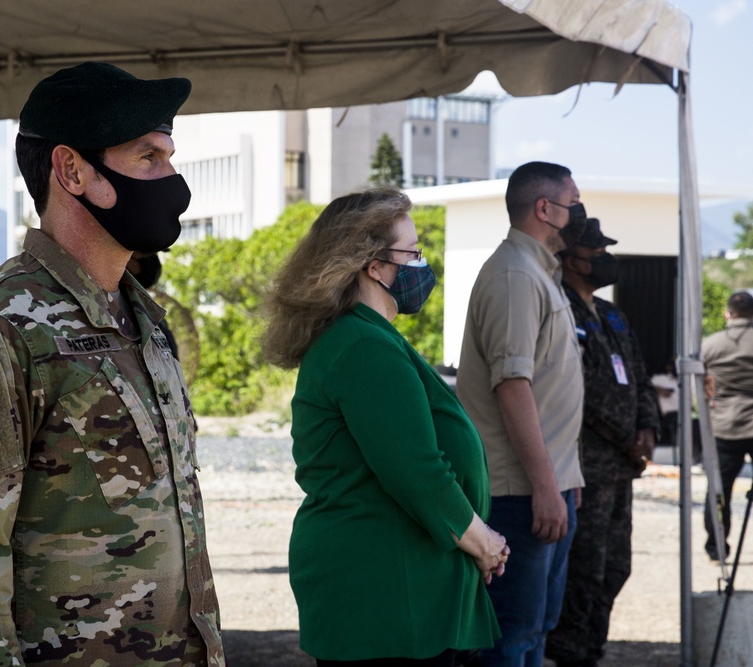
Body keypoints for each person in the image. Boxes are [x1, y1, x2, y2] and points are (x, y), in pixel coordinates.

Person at [0, 61, 224, 666]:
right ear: (72, 169)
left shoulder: (145, 319)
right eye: (149, 158)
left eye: (170, 157)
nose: (173, 179)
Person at [262, 188, 507, 666]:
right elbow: (417, 472)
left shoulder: (367, 337)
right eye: (411, 253)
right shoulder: (361, 346)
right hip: (385, 596)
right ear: (373, 265)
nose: (420, 264)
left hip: (395, 586)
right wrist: (485, 543)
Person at [456, 161, 586, 667]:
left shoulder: (538, 272)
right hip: (521, 493)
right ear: (545, 209)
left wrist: (564, 481)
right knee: (509, 634)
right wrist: (547, 488)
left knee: (534, 630)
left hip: (546, 487)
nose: (579, 214)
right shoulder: (514, 275)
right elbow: (513, 388)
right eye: (574, 204)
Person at [544, 219, 660, 667]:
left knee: (616, 566)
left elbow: (639, 374)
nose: (603, 259)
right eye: (596, 252)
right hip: (585, 464)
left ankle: (591, 646)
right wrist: (627, 437)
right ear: (570, 257)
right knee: (584, 568)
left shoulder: (612, 313)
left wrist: (649, 427)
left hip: (622, 466)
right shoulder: (560, 308)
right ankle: (570, 651)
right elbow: (577, 388)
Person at [701, 290, 753, 562]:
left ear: (728, 313)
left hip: (724, 426)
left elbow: (697, 386)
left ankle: (717, 546)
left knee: (719, 490)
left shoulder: (711, 344)